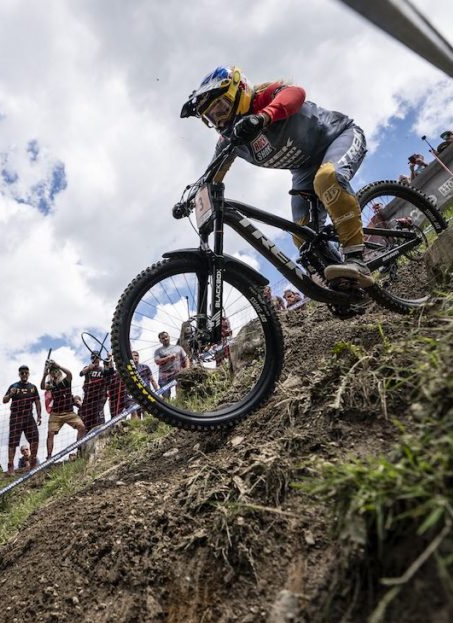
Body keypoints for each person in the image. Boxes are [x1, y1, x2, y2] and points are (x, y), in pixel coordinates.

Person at [181, 66, 372, 285]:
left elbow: (296, 93)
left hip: (338, 137)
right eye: (212, 118)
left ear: (239, 91)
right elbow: (212, 175)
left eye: (221, 109)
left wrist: (263, 117)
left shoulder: (263, 98)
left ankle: (356, 260)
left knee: (327, 178)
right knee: (301, 234)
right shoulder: (230, 140)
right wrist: (193, 197)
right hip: (304, 170)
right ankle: (344, 283)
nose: (220, 121)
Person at [41, 360, 86, 460]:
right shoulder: (50, 384)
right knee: (50, 433)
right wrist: (44, 375)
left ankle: (79, 449)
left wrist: (59, 365)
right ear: (51, 374)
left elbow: (70, 374)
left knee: (81, 427)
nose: (54, 372)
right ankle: (49, 456)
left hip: (69, 412)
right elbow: (42, 387)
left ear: (59, 371)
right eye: (52, 371)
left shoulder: (65, 381)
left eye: (56, 370)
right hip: (56, 413)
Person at [3, 365, 42, 474]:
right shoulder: (14, 386)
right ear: (19, 374)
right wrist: (11, 394)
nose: (24, 375)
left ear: (28, 374)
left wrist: (39, 415)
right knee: (13, 442)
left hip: (29, 416)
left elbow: (37, 401)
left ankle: (33, 461)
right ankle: (10, 465)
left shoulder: (33, 387)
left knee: (35, 439)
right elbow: (4, 400)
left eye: (26, 373)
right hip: (16, 416)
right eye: (22, 373)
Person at [79, 353, 111, 430]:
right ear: (91, 359)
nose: (95, 359)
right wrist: (88, 368)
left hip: (100, 396)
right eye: (93, 358)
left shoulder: (102, 369)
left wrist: (109, 360)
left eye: (97, 358)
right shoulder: (87, 368)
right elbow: (81, 373)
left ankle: (102, 430)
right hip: (89, 396)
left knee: (99, 413)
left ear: (100, 359)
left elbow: (109, 374)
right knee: (87, 416)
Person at [154, 331, 189, 398]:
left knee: (180, 394)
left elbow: (186, 358)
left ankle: (179, 405)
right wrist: (168, 358)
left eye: (166, 337)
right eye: (163, 338)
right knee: (166, 397)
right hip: (164, 377)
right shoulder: (158, 351)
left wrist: (187, 368)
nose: (165, 339)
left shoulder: (178, 348)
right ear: (160, 340)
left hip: (177, 374)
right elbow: (157, 361)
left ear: (169, 337)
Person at [128, 350, 159, 419]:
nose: (135, 357)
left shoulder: (145, 367)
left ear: (139, 357)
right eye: (133, 356)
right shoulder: (129, 370)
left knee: (146, 413)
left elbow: (152, 380)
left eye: (136, 355)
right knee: (137, 414)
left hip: (147, 393)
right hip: (135, 395)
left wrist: (157, 391)